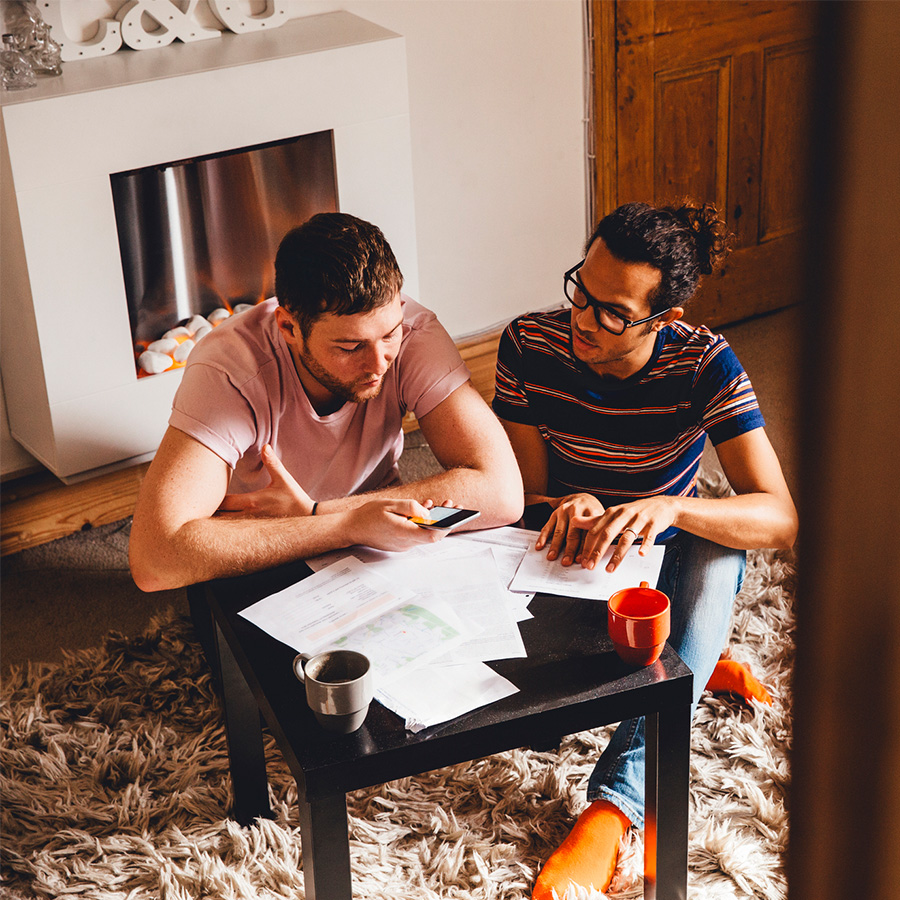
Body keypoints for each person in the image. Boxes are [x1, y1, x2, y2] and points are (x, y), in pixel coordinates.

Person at [491, 201, 798, 898]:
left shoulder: (704, 364)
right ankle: (693, 653)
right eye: (582, 292)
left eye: (613, 313)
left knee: (718, 552)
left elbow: (779, 517)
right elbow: (521, 499)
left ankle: (608, 813)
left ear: (666, 321)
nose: (583, 318)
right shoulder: (527, 346)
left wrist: (671, 507)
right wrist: (560, 504)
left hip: (665, 553)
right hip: (569, 548)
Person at [129, 212, 523, 593]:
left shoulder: (415, 332)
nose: (378, 363)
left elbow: (503, 492)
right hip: (257, 545)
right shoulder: (230, 367)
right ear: (289, 327)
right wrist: (345, 525)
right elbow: (156, 559)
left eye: (389, 335)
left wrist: (321, 513)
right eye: (350, 347)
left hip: (378, 541)